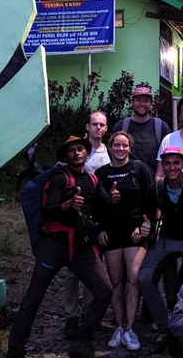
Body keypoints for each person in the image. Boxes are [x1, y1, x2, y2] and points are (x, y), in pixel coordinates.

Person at [7, 136, 113, 358]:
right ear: (65, 156)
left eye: (81, 149)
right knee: (34, 297)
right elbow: (47, 211)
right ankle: (15, 349)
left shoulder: (93, 180)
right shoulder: (58, 179)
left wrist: (113, 197)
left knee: (104, 291)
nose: (77, 153)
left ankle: (81, 341)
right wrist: (65, 206)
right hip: (54, 246)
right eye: (72, 150)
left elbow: (104, 205)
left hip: (81, 247)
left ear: (87, 153)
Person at [138, 146, 183, 354]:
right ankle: (165, 326)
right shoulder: (156, 188)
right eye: (167, 163)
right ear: (162, 165)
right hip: (166, 240)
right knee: (144, 278)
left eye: (176, 163)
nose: (172, 168)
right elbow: (147, 218)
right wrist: (145, 228)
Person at [95, 131, 156, 351]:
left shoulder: (139, 169)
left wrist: (145, 224)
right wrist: (100, 229)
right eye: (117, 146)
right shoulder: (102, 173)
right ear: (110, 148)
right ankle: (118, 326)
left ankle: (130, 328)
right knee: (116, 282)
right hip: (111, 233)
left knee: (133, 278)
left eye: (125, 146)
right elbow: (97, 206)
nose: (120, 149)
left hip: (134, 232)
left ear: (130, 148)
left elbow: (151, 198)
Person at [63, 110, 112, 338]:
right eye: (95, 124)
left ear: (106, 128)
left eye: (102, 124)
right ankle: (71, 316)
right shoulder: (76, 150)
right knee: (72, 272)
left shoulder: (110, 153)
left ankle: (92, 316)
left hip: (95, 219)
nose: (98, 128)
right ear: (88, 126)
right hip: (72, 218)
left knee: (95, 267)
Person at [111, 84, 171, 174]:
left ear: (151, 103)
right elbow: (112, 154)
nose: (142, 104)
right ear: (132, 102)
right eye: (138, 100)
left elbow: (168, 157)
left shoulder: (161, 127)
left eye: (146, 101)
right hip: (126, 182)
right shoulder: (121, 127)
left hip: (154, 183)